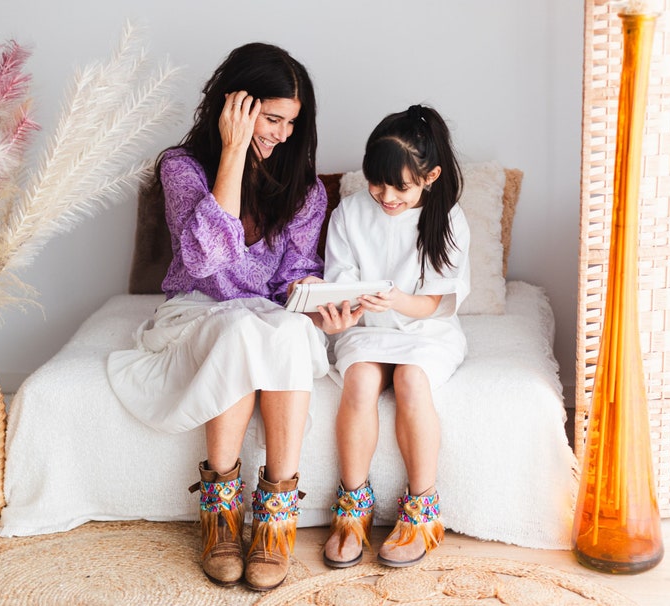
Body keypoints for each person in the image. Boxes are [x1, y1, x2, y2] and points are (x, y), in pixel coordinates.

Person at [107, 42, 328, 592]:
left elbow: (293, 275)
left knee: (289, 328)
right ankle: (221, 516)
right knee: (240, 328)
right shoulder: (181, 168)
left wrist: (315, 295)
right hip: (196, 310)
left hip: (264, 315)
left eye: (291, 123)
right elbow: (204, 259)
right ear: (236, 105)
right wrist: (232, 154)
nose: (282, 135)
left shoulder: (306, 189)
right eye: (271, 119)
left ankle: (276, 516)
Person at [317, 104, 470, 569]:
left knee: (410, 380)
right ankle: (352, 509)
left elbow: (436, 303)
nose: (385, 196)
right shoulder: (350, 212)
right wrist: (345, 308)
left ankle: (422, 509)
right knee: (360, 380)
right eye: (376, 183)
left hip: (426, 329)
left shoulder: (448, 219)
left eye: (400, 187)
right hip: (368, 328)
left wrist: (397, 299)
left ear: (430, 177)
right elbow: (340, 280)